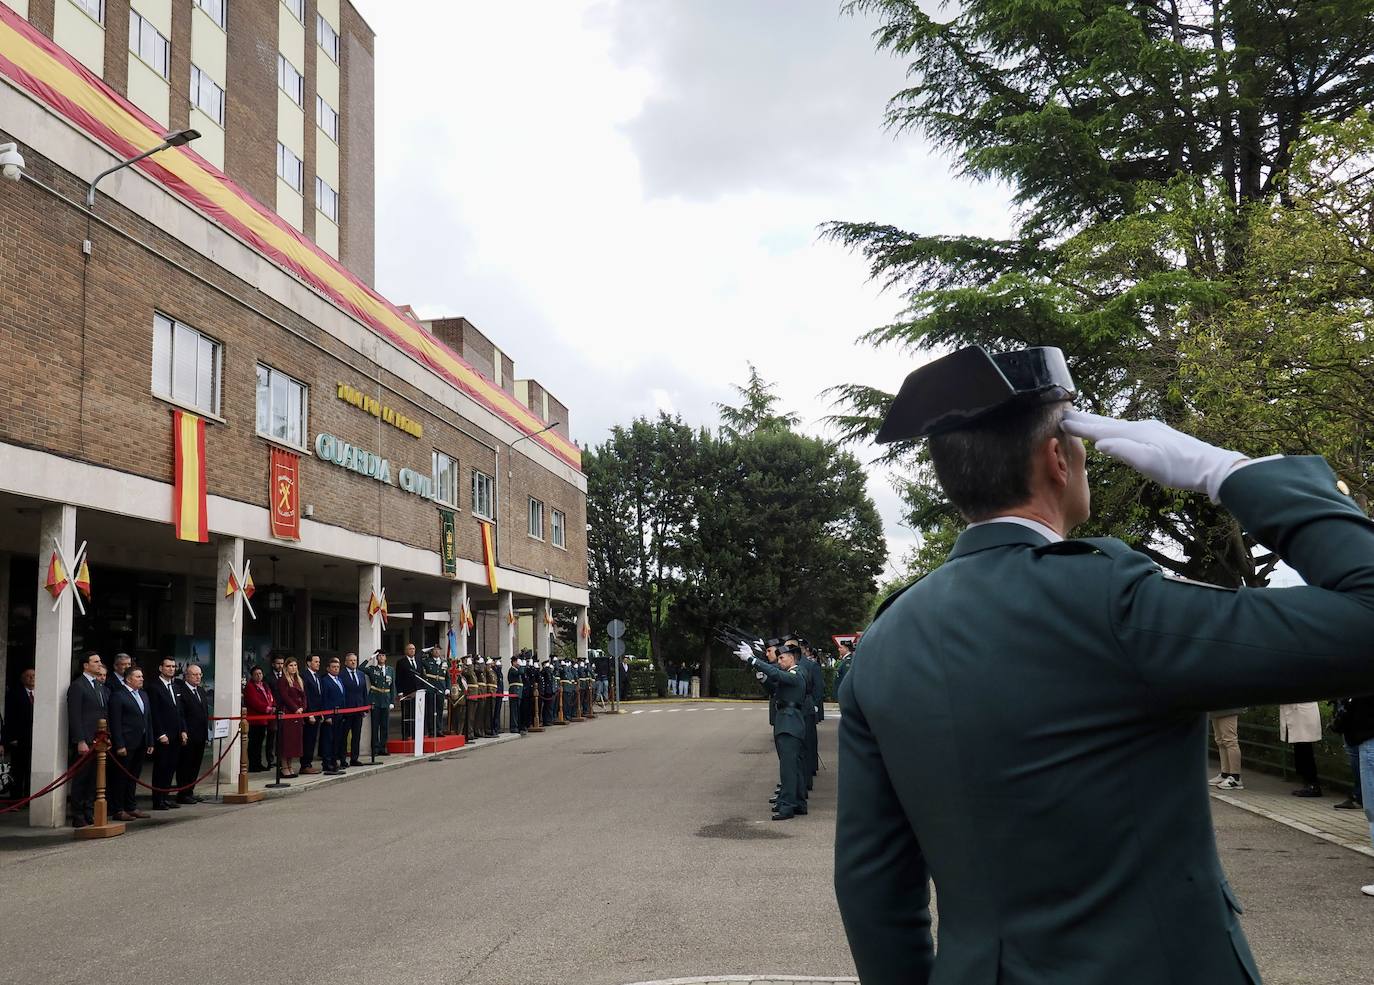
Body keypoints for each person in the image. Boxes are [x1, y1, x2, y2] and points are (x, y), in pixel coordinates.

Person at [834, 344, 1374, 983]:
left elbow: (872, 884)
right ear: (1059, 457)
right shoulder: (1113, 601)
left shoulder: (889, 636)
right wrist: (1231, 472)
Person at [735, 641, 807, 820]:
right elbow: (776, 689)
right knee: (793, 766)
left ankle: (788, 806)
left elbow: (776, 674)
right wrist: (763, 679)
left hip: (790, 723)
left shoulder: (797, 673)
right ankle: (797, 802)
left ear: (792, 658)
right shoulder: (790, 674)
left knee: (788, 768)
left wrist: (752, 660)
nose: (779, 661)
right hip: (787, 721)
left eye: (782, 658)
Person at [107, 664, 153, 821]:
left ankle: (130, 806)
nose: (141, 679)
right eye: (138, 676)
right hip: (126, 743)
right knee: (121, 777)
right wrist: (119, 744)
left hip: (140, 742)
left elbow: (148, 719)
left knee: (134, 776)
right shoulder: (118, 696)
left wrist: (150, 741)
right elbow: (115, 722)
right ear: (128, 679)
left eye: (142, 676)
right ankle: (118, 808)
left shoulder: (144, 695)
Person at [65, 652, 106, 827]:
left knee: (94, 779)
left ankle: (90, 811)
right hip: (86, 740)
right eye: (95, 662)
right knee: (81, 778)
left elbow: (103, 713)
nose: (99, 664)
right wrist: (80, 740)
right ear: (85, 665)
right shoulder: (78, 686)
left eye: (99, 661)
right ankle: (78, 814)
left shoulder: (98, 685)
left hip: (99, 740)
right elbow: (75, 715)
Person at [147, 656, 187, 811]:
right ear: (161, 668)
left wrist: (183, 730)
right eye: (168, 666)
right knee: (161, 767)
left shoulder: (176, 686)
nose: (171, 669)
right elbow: (154, 713)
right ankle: (158, 799)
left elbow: (180, 711)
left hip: (176, 734)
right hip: (163, 735)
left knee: (171, 767)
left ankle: (166, 797)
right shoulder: (154, 687)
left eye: (173, 666)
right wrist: (160, 733)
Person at [174, 664, 210, 803]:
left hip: (200, 735)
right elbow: (181, 714)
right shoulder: (181, 691)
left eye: (200, 674)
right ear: (187, 676)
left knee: (196, 765)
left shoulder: (200, 690)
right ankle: (182, 793)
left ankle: (190, 791)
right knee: (185, 766)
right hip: (188, 735)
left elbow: (204, 713)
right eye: (194, 674)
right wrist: (183, 731)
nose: (198, 677)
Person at [1, 667, 35, 799]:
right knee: (18, 770)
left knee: (31, 770)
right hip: (20, 739)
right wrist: (11, 737)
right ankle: (16, 799)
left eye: (33, 676)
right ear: (22, 679)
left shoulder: (42, 693)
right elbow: (9, 718)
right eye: (28, 676)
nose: (32, 678)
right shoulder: (14, 694)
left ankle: (29, 797)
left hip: (36, 739)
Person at [1280, 701, 1324, 797]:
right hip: (1296, 712)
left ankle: (1313, 785)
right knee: (1300, 749)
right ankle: (1307, 784)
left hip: (1302, 712)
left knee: (1305, 750)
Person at [276, 657, 306, 777]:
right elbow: (285, 697)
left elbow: (304, 696)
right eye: (291, 665)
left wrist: (303, 707)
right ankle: (284, 767)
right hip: (288, 712)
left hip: (299, 714)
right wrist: (295, 708)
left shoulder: (299, 680)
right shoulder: (283, 680)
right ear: (286, 667)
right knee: (287, 742)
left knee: (294, 742)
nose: (293, 668)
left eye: (295, 665)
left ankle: (290, 765)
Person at [243, 666, 276, 773]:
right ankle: (253, 765)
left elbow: (270, 696)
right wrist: (267, 708)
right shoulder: (250, 687)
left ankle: (258, 763)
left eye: (260, 673)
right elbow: (254, 702)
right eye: (256, 674)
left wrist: (273, 706)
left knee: (260, 742)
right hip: (255, 719)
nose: (259, 676)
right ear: (252, 676)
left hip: (265, 719)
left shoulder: (265, 685)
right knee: (254, 743)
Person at [341, 652, 369, 765]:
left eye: (355, 660)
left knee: (356, 735)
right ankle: (342, 759)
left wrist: (365, 707)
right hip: (346, 710)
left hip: (359, 710)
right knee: (344, 736)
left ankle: (354, 758)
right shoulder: (341, 675)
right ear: (346, 662)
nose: (353, 662)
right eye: (351, 660)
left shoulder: (360, 674)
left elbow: (364, 692)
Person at [320, 656, 347, 773]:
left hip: (340, 715)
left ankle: (334, 760)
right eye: (333, 667)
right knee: (328, 739)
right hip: (330, 715)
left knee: (337, 739)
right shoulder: (325, 681)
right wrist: (327, 716)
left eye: (337, 667)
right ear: (328, 668)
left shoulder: (340, 680)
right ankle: (327, 762)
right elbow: (324, 699)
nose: (336, 669)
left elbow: (342, 697)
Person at [366, 650, 395, 756]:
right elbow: (360, 668)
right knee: (375, 726)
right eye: (379, 656)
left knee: (385, 726)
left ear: (386, 658)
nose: (382, 657)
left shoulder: (390, 670)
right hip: (375, 700)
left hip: (386, 700)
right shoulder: (372, 670)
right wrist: (370, 658)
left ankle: (383, 747)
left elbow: (393, 686)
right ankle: (375, 748)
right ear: (377, 658)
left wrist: (392, 701)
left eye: (383, 655)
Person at [1208, 708, 1244, 790]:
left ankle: (1236, 778)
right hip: (1216, 709)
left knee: (1230, 741)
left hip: (1229, 707)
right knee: (1220, 741)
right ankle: (1225, 774)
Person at [300, 654, 325, 774]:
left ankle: (308, 762)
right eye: (316, 661)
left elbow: (319, 696)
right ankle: (305, 764)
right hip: (309, 713)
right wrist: (309, 713)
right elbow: (306, 696)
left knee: (313, 739)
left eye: (319, 662)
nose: (318, 664)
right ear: (309, 663)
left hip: (318, 712)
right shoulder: (304, 676)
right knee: (308, 739)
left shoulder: (318, 676)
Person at [395, 643, 423, 740]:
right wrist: (400, 692)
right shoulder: (401, 662)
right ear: (406, 651)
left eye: (414, 649)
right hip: (407, 692)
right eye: (410, 649)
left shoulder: (419, 661)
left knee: (417, 713)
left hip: (418, 692)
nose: (412, 650)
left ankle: (416, 733)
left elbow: (422, 676)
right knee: (407, 713)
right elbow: (398, 678)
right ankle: (406, 734)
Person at [266, 653, 286, 767]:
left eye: (282, 664)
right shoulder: (268, 677)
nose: (280, 666)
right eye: (278, 663)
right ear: (273, 664)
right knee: (271, 735)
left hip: (284, 710)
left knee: (281, 736)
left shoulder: (285, 676)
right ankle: (270, 760)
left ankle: (280, 759)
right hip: (273, 710)